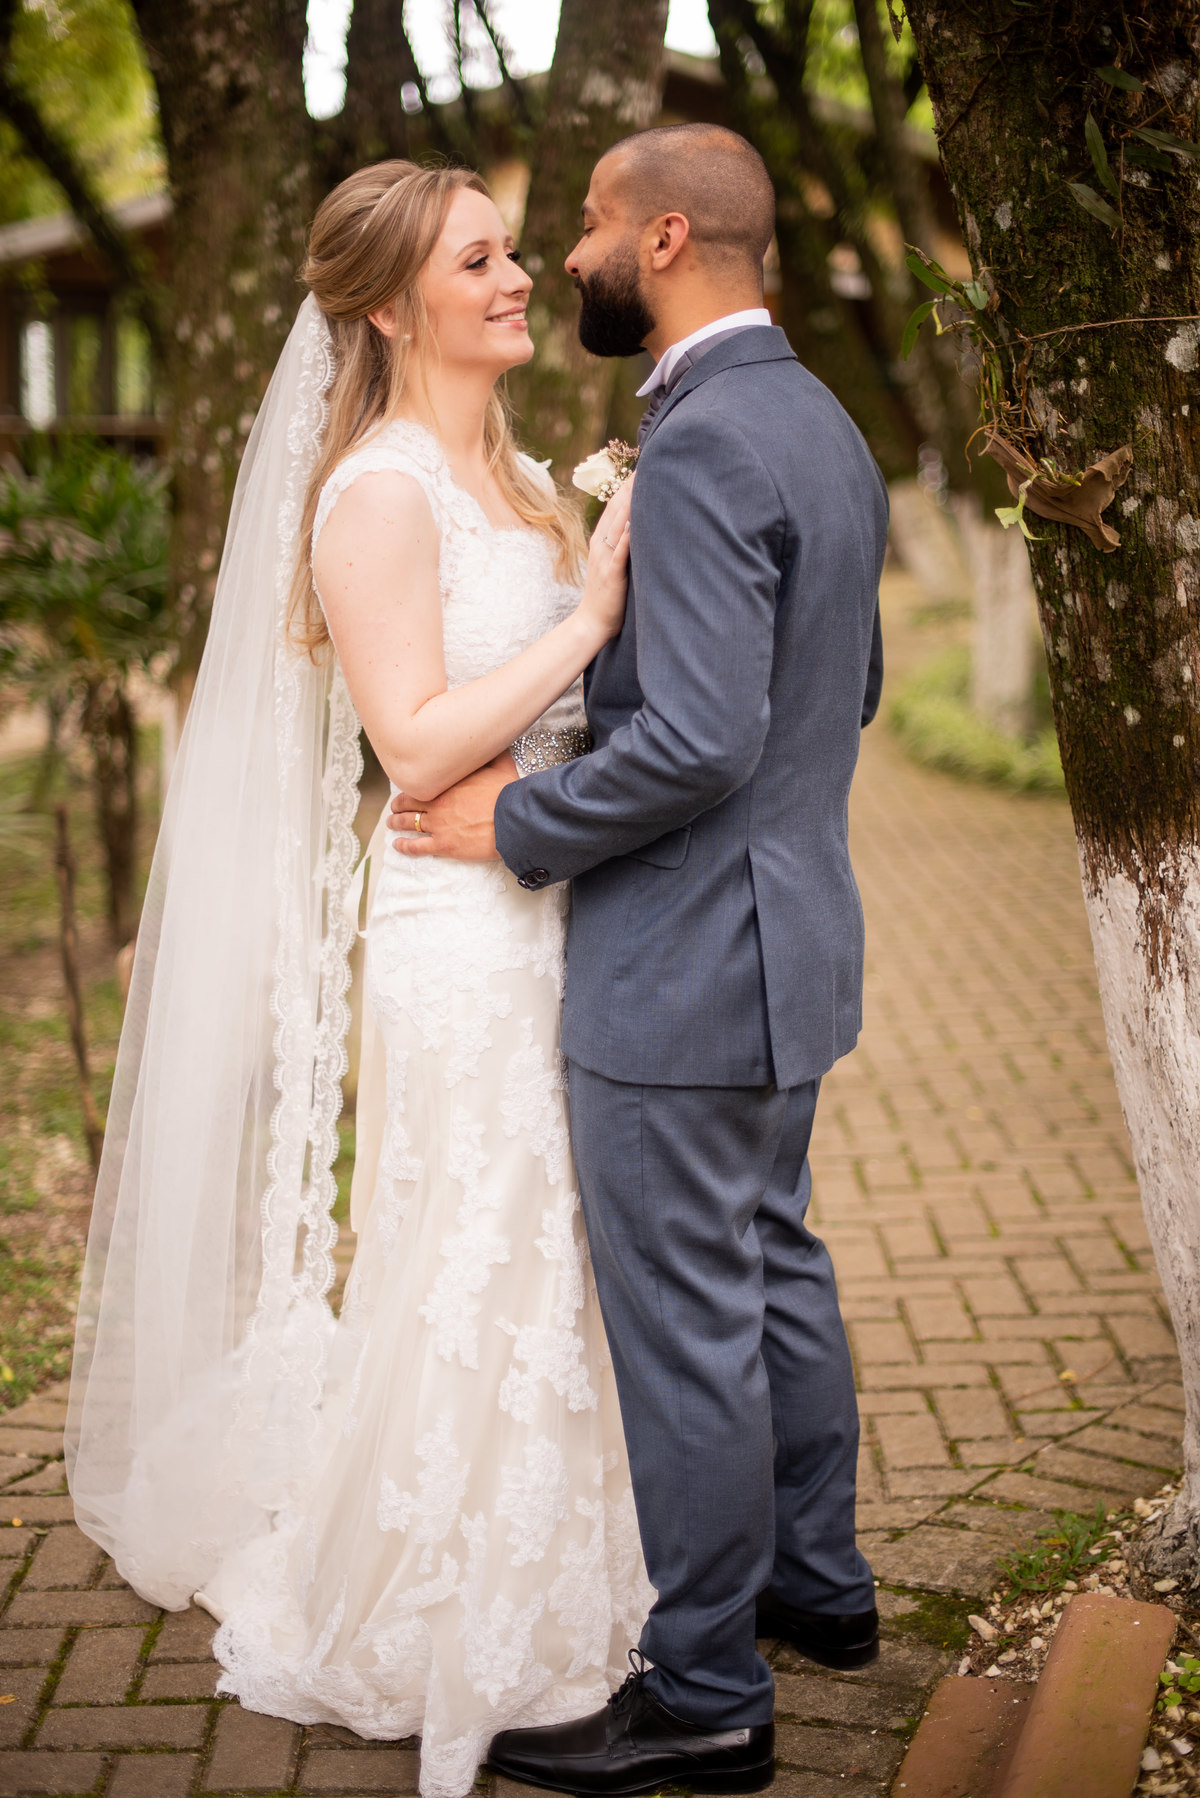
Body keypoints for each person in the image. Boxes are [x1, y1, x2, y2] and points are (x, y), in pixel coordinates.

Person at [65, 160, 654, 1798]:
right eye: (481, 259)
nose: (522, 277)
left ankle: (578, 1567)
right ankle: (442, 1602)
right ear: (394, 306)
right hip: (457, 939)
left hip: (549, 904)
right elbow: (411, 740)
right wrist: (590, 612)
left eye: (518, 250)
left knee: (562, 1255)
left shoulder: (527, 472)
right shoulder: (377, 493)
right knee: (483, 1243)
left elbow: (550, 732)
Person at [387, 123, 888, 1797]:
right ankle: (819, 1585)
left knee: (685, 1325)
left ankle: (706, 1694)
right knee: (773, 1267)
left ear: (664, 239)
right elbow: (850, 690)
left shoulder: (705, 441)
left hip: (677, 966)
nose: (570, 259)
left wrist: (521, 828)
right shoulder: (818, 423)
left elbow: (695, 737)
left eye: (590, 228)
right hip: (794, 940)